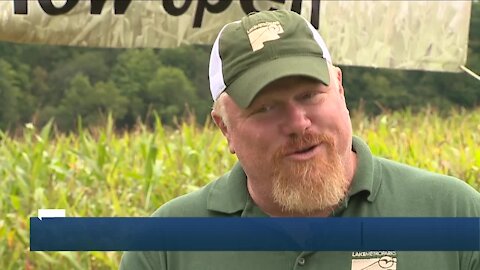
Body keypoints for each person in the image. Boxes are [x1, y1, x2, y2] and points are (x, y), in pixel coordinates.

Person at [120, 10, 480, 270]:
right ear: (224, 127)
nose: (297, 122)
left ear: (339, 87)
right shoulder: (165, 247)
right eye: (264, 108)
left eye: (309, 95)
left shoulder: (453, 213)